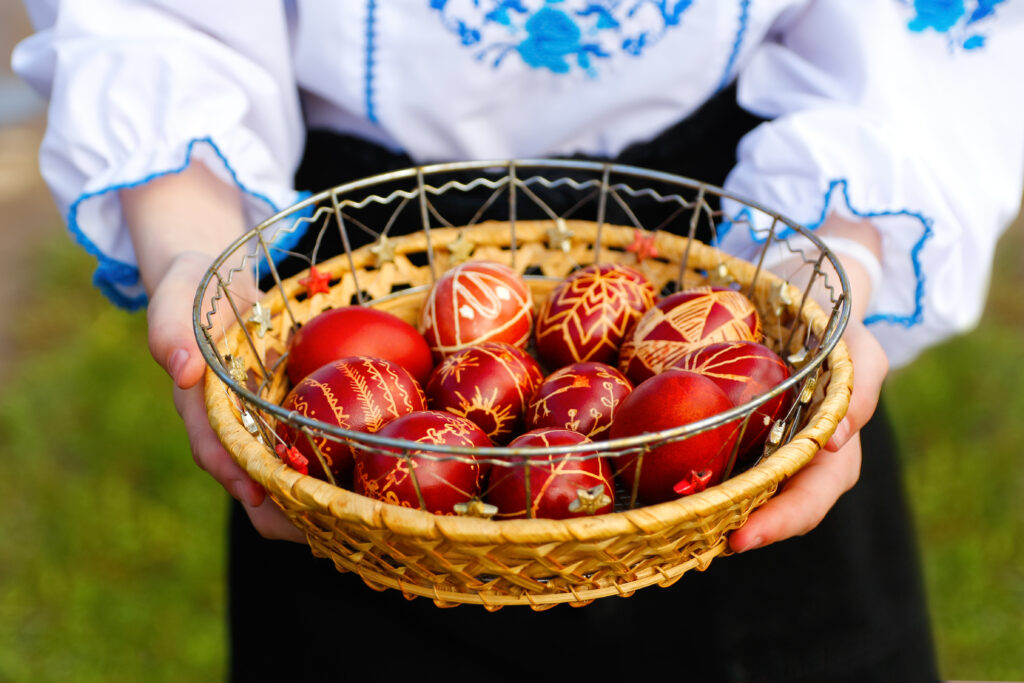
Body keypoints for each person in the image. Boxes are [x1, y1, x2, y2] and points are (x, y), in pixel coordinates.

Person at [12, 2, 1024, 680]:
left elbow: (911, 31)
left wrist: (824, 278)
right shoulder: (354, 363)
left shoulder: (735, 327)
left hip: (738, 228)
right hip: (352, 249)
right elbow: (155, 18)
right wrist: (196, 243)